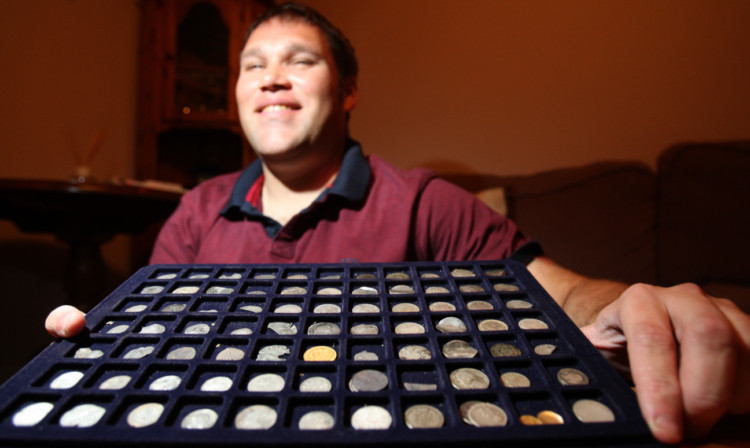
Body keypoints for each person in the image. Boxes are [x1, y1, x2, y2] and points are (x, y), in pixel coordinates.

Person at [45, 2, 749, 444]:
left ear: (348, 90)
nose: (271, 77)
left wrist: (629, 306)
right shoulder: (196, 209)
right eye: (252, 65)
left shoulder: (423, 202)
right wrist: (97, 341)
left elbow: (559, 295)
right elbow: (152, 337)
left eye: (300, 61)